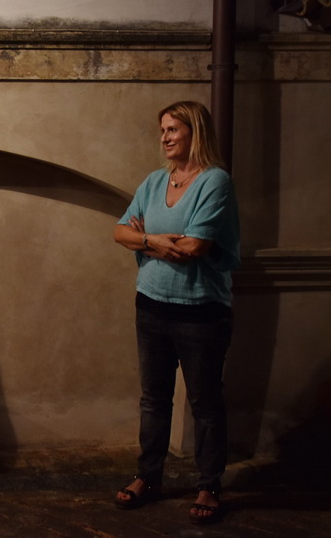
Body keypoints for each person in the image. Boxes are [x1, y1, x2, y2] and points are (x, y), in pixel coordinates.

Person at [112, 101, 240, 525]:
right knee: (153, 400)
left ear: (194, 132)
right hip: (151, 305)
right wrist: (154, 240)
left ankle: (209, 485)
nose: (164, 137)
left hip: (201, 311)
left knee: (205, 402)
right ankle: (148, 477)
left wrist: (144, 237)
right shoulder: (154, 181)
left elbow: (194, 246)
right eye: (162, 130)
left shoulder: (215, 181)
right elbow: (119, 231)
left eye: (172, 129)